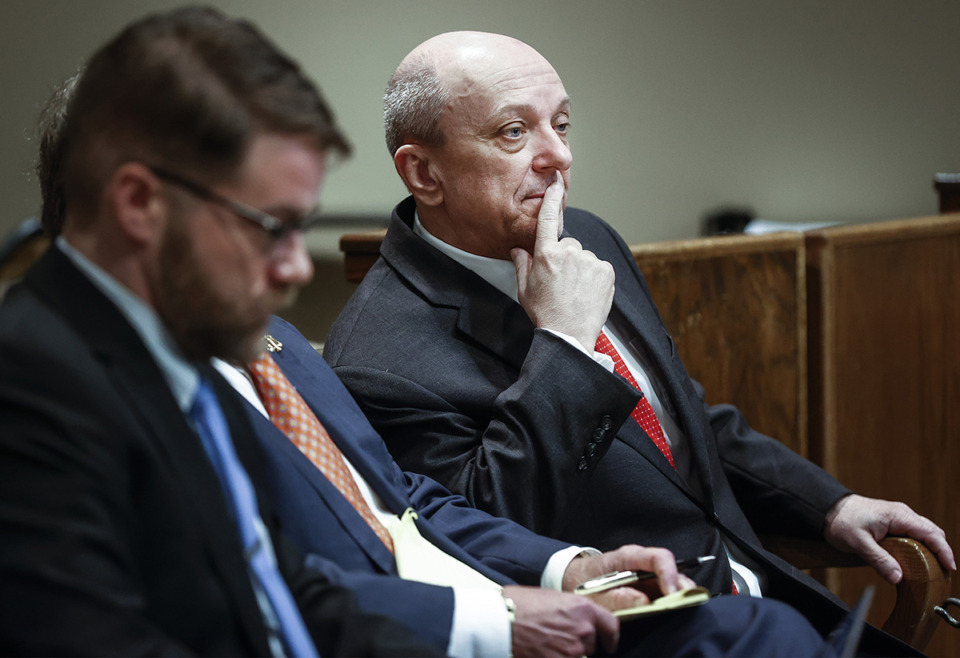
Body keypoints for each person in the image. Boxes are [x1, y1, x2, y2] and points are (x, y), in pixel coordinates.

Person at [27, 62, 857, 658]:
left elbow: (401, 502)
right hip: (426, 633)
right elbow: (248, 589)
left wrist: (567, 568)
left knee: (768, 631)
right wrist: (493, 620)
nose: (278, 247)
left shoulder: (267, 342)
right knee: (760, 637)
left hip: (510, 599)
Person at [323, 30, 955, 653]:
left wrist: (831, 505)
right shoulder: (379, 355)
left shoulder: (590, 238)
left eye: (562, 125)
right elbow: (489, 533)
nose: (558, 156)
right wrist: (565, 344)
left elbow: (678, 422)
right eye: (514, 133)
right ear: (423, 173)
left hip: (764, 595)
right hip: (646, 634)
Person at [0, 8, 444, 655]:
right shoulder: (29, 388)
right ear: (138, 205)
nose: (295, 266)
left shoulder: (184, 359)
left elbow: (279, 589)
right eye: (271, 227)